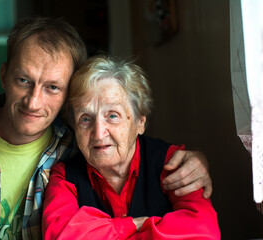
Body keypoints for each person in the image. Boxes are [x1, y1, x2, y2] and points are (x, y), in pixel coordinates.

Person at [0, 17, 211, 240]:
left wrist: (198, 161)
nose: (33, 102)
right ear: (3, 75)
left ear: (67, 97)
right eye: (23, 80)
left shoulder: (81, 144)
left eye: (52, 87)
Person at [42, 55, 220, 239]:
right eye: (85, 118)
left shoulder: (171, 162)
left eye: (112, 115)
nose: (98, 133)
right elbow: (59, 235)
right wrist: (135, 224)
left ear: (140, 122)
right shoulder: (64, 176)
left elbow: (204, 231)